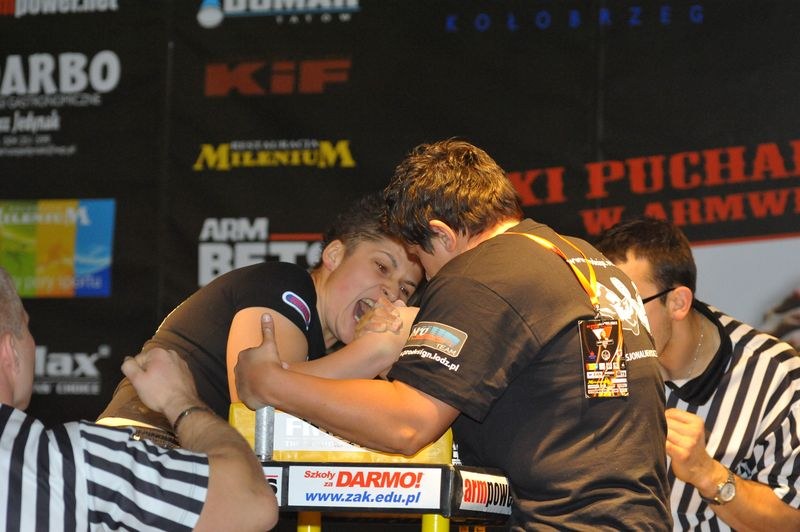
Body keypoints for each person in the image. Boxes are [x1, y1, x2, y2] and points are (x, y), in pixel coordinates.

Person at [235, 139, 672, 530]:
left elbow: (406, 423)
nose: (429, 281)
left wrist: (273, 382)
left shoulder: (482, 273)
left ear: (442, 235)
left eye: (421, 261)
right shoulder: (580, 258)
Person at [96, 192, 422, 444]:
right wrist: (377, 350)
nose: (391, 293)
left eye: (405, 289)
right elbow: (259, 408)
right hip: (144, 442)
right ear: (334, 255)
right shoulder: (284, 283)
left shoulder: (322, 351)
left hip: (194, 457)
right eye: (382, 267)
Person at [0, 267, 277, 531]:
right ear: (9, 350)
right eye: (27, 328)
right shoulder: (69, 463)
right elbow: (250, 503)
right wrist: (179, 401)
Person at [595, 216, 800, 531]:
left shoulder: (777, 376)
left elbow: (793, 519)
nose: (609, 325)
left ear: (678, 303)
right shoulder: (602, 352)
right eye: (599, 308)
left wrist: (707, 473)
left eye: (625, 306)